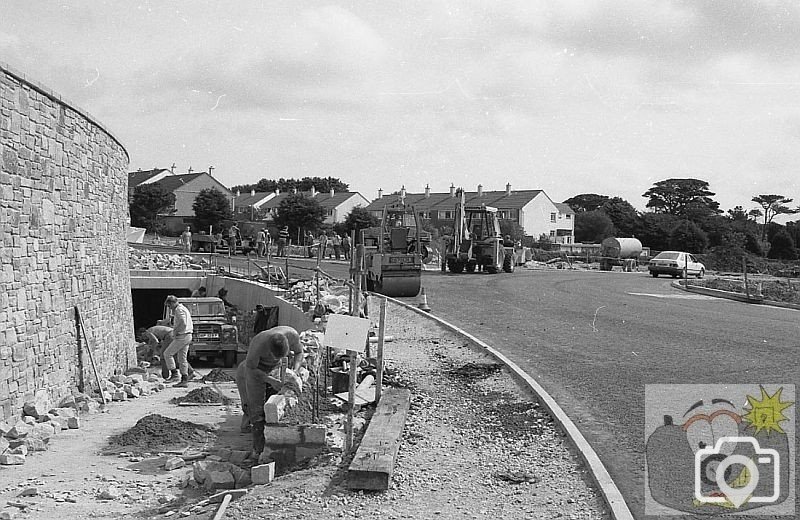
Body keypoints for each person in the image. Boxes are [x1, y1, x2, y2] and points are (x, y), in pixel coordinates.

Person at [235, 326, 304, 452]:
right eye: (274, 357)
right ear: (269, 350)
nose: (276, 359)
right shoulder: (258, 345)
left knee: (274, 401)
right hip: (256, 370)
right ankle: (259, 450)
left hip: (274, 368)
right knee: (257, 409)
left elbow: (299, 352)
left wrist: (295, 370)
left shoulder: (292, 334)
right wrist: (270, 380)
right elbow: (251, 369)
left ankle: (271, 441)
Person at [162, 295, 193, 387]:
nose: (169, 308)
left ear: (172, 303)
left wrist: (176, 331)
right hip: (188, 335)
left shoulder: (178, 310)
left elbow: (183, 322)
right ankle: (184, 379)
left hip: (182, 336)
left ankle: (174, 374)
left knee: (167, 354)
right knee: (182, 359)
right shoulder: (183, 308)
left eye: (169, 305)